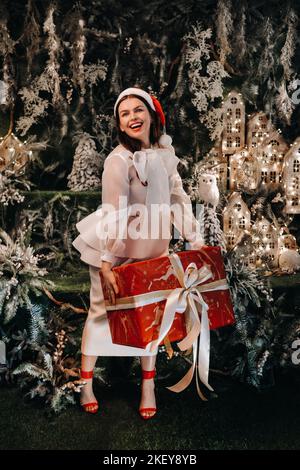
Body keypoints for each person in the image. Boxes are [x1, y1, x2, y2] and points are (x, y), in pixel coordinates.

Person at [72, 86, 204, 419]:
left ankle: (148, 385)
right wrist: (106, 263)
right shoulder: (118, 160)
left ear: (150, 114)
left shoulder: (164, 154)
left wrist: (194, 239)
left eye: (138, 110)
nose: (132, 117)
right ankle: (85, 382)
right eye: (125, 113)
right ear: (119, 123)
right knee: (100, 313)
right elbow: (114, 212)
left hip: (153, 250)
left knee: (151, 318)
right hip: (115, 251)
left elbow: (178, 198)